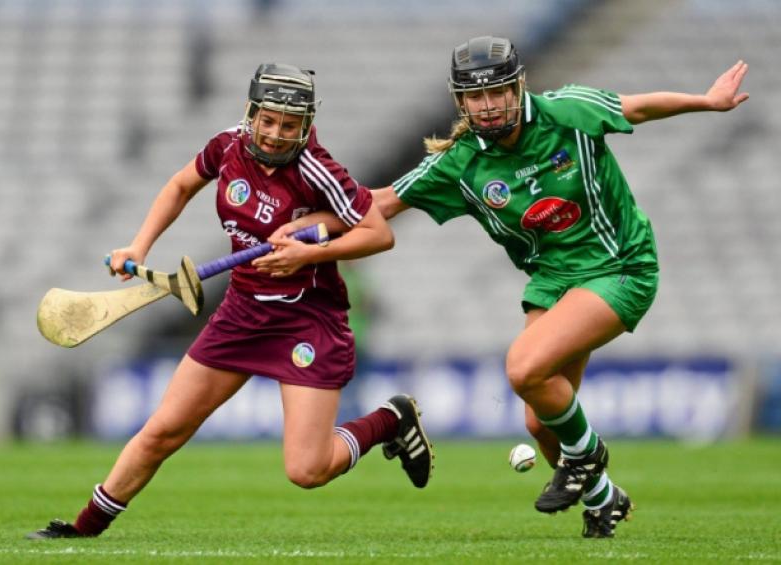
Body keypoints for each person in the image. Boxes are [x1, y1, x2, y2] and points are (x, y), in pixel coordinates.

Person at [278, 36, 749, 538]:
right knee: (539, 424)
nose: (487, 106)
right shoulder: (461, 161)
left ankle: (588, 455)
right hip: (552, 282)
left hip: (621, 266)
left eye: (497, 92)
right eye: (474, 98)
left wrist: (706, 101)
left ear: (517, 86)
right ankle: (603, 498)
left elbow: (639, 107)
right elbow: (382, 203)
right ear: (461, 102)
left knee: (524, 367)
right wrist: (310, 224)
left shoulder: (567, 109)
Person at [28, 62, 434, 539]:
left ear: (306, 124)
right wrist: (139, 247)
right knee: (164, 430)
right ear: (251, 113)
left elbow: (378, 233)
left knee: (308, 469)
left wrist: (311, 250)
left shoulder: (318, 169)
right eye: (268, 120)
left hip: (308, 320)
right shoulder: (227, 146)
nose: (277, 133)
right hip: (242, 314)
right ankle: (85, 528)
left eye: (289, 124)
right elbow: (180, 185)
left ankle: (390, 418)